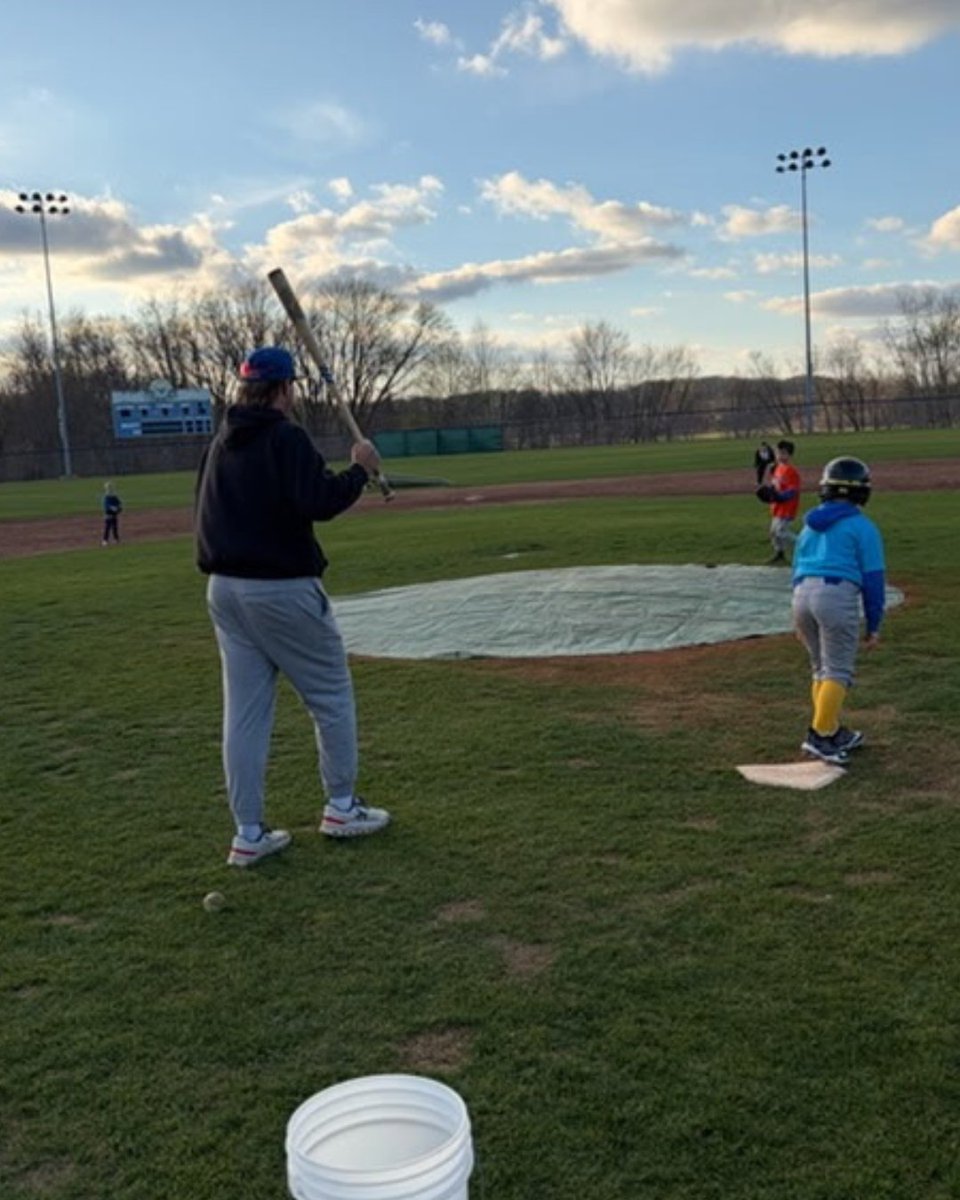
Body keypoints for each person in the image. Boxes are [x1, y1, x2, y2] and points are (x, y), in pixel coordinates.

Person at [194, 346, 390, 867]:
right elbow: (319, 501)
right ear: (284, 389)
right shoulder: (285, 436)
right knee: (331, 697)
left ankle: (248, 833)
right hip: (281, 589)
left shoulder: (220, 441)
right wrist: (360, 471)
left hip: (224, 590)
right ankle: (342, 807)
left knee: (244, 714)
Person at [791, 457, 886, 765]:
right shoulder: (862, 527)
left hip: (801, 595)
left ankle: (830, 730)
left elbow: (796, 570)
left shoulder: (809, 526)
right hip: (835, 596)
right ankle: (820, 735)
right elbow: (873, 580)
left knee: (820, 668)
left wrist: (797, 616)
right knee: (838, 670)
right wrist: (874, 624)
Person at [765, 439, 801, 565]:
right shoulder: (777, 468)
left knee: (781, 532)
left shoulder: (791, 471)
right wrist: (770, 494)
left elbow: (793, 491)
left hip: (787, 507)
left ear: (790, 455)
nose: (780, 456)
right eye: (778, 453)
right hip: (777, 507)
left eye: (783, 453)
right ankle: (779, 553)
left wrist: (780, 497)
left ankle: (802, 544)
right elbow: (776, 486)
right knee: (773, 532)